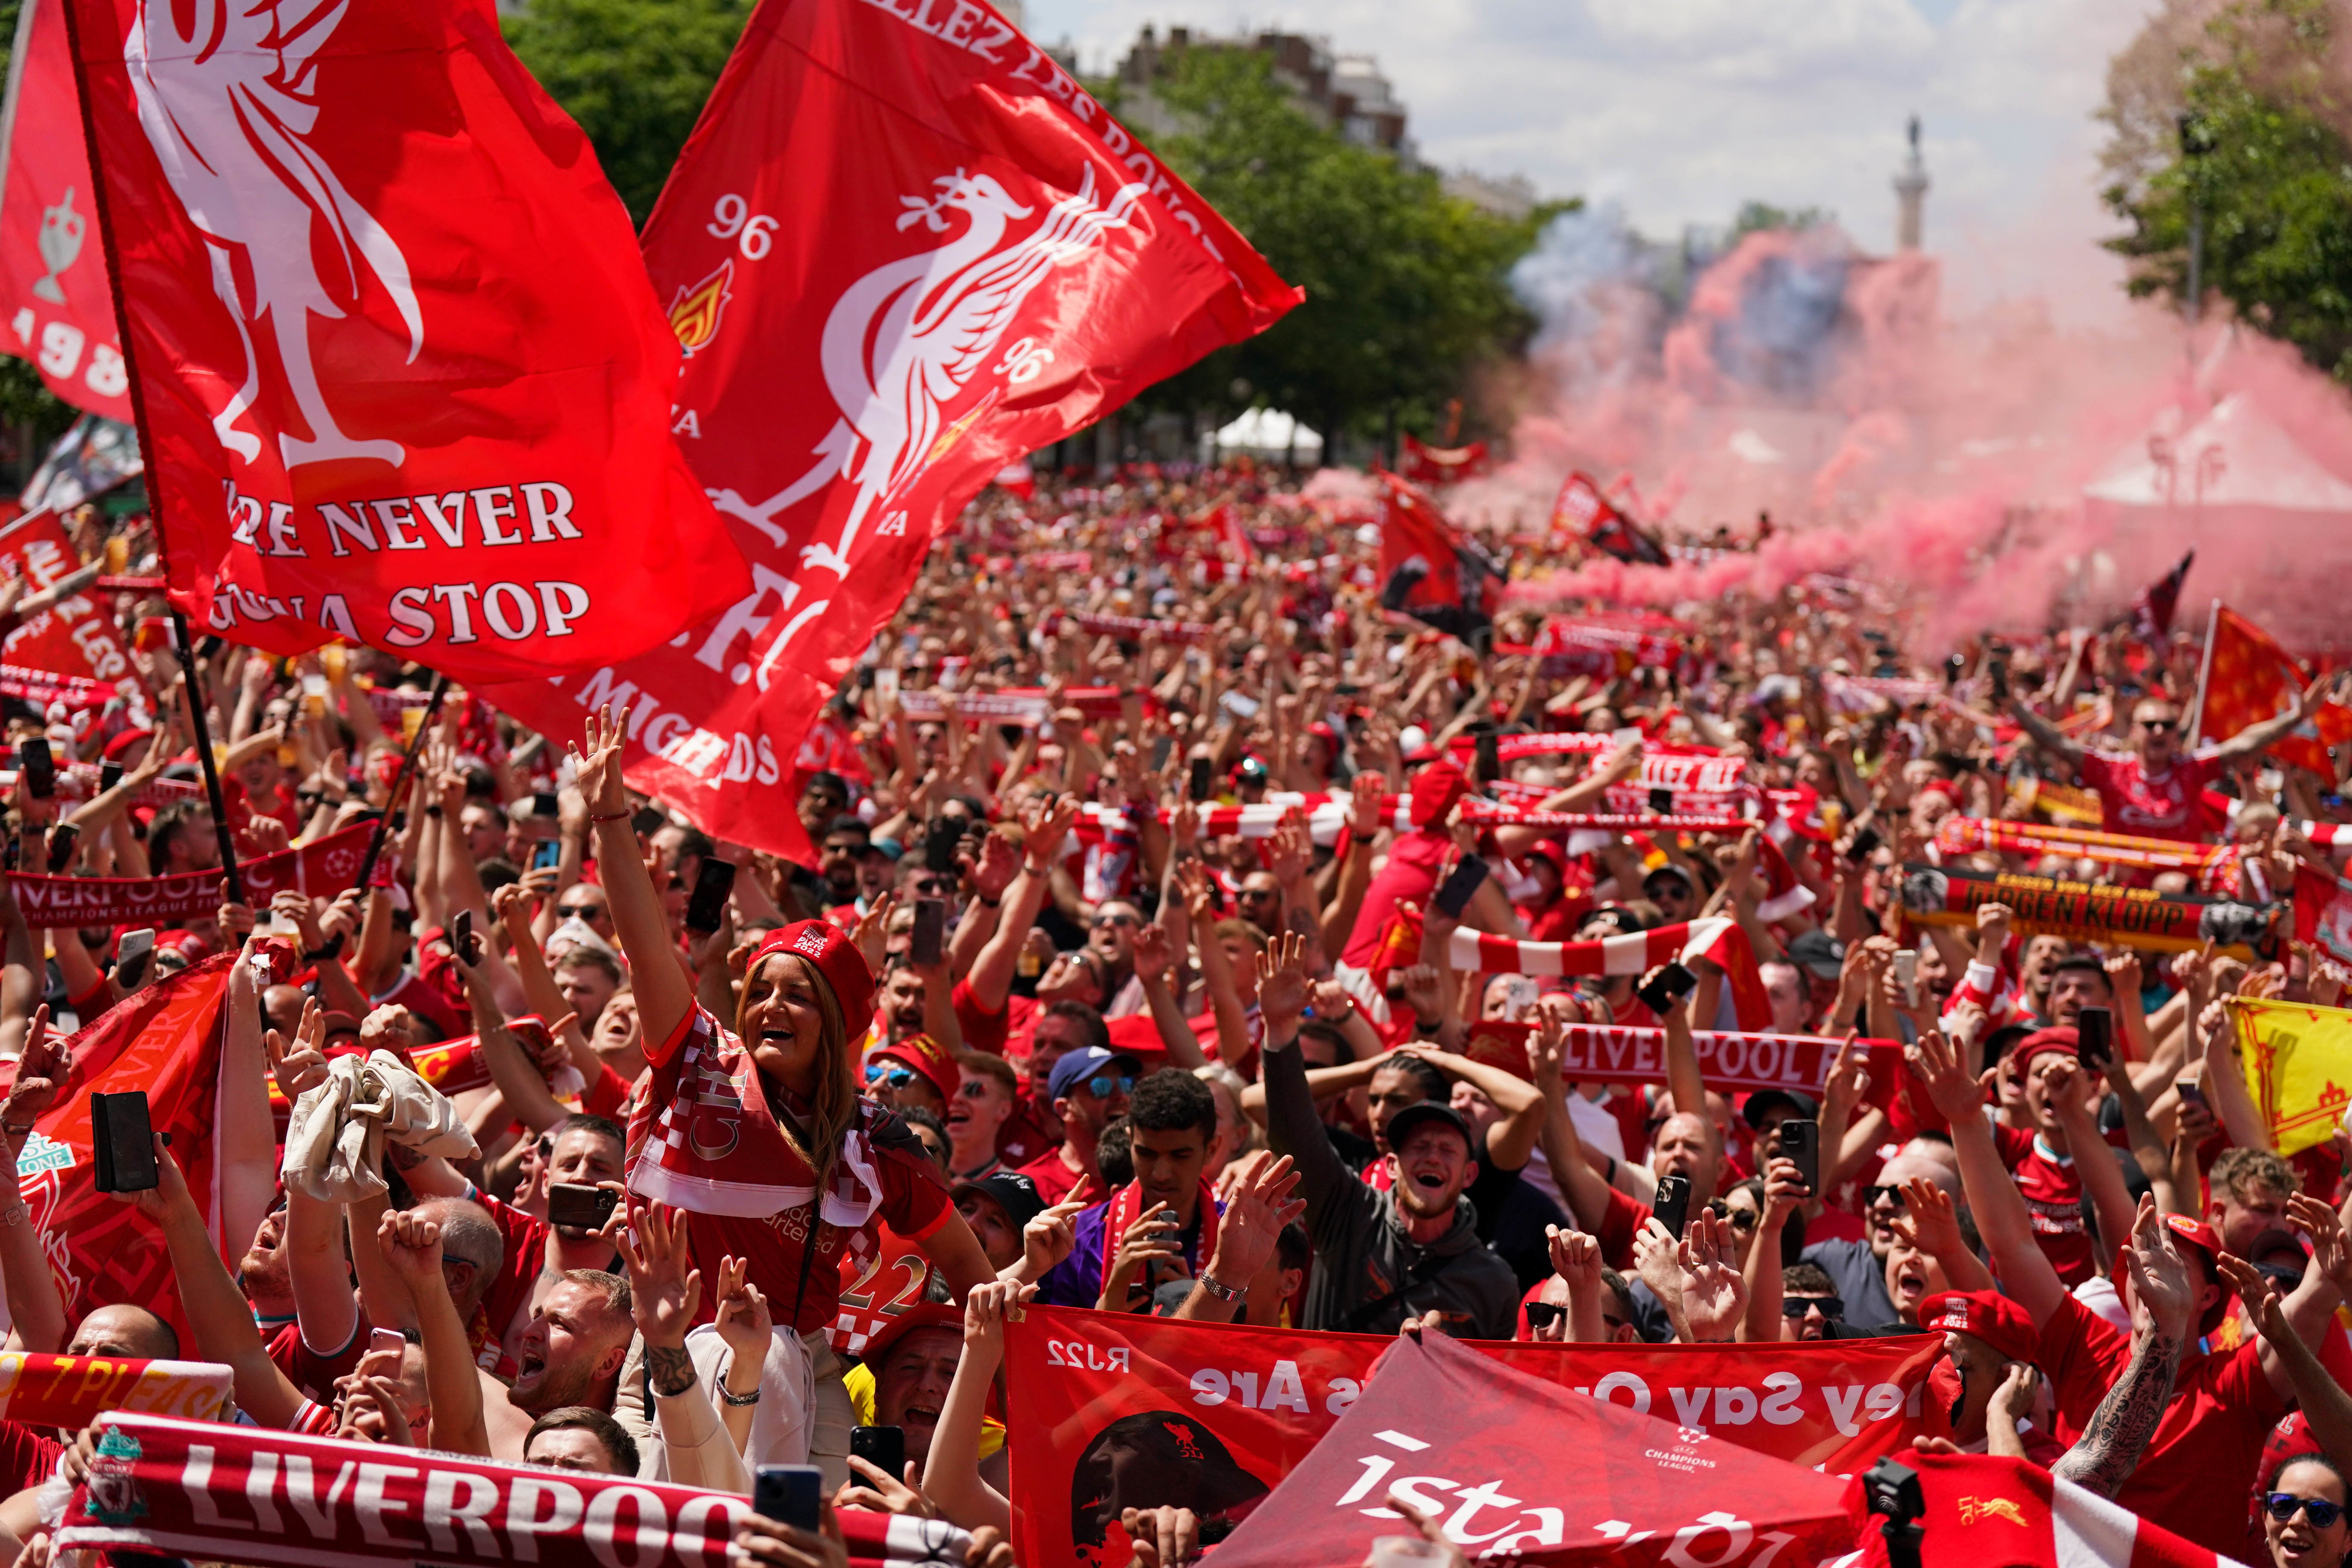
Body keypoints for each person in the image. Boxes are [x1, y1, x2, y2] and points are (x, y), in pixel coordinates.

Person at [575, 709, 992, 1488]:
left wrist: (1009, 1333)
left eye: (798, 995)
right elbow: (643, 942)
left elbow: (969, 1268)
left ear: (838, 1023)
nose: (770, 1006)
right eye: (759, 989)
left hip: (801, 1372)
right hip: (668, 1352)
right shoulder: (696, 1062)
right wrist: (609, 818)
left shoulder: (878, 1141)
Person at [1259, 933, 1519, 1338]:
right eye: (1419, 1146)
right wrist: (1279, 1031)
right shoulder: (1348, 1212)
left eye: (1446, 1148)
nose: (1432, 1155)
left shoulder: (1493, 1282)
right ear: (1392, 1164)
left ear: (1469, 1175)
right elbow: (1292, 1131)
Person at [1034, 1068, 1221, 1312]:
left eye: (1180, 1156)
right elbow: (1054, 1344)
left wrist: (1198, 1306)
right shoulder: (1078, 1239)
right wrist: (1110, 1301)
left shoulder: (1238, 1240)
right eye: (1146, 1154)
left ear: (1212, 1149)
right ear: (1130, 1139)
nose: (1160, 1174)